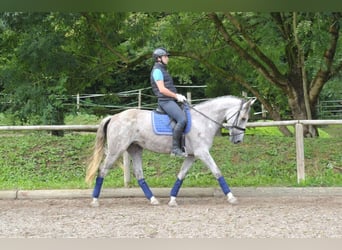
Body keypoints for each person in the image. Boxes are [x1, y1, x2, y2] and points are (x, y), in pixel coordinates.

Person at [150, 47, 188, 157]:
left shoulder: (163, 70)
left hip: (170, 100)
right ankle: (175, 149)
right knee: (182, 119)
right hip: (165, 101)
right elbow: (162, 89)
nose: (167, 58)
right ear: (158, 59)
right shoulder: (157, 71)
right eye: (165, 56)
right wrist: (176, 96)